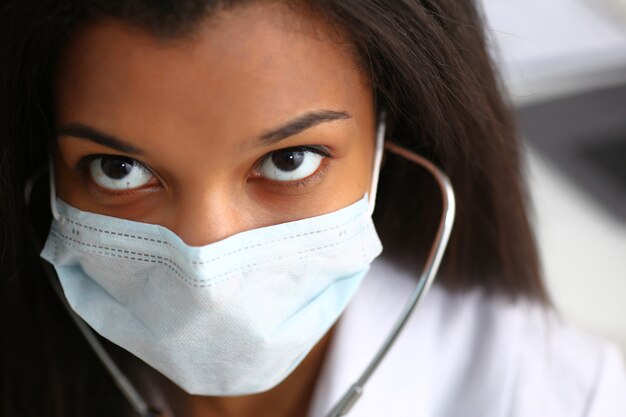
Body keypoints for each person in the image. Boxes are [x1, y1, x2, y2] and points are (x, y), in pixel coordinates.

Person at [1, 0, 625, 416]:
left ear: (388, 137)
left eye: (289, 160)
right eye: (119, 170)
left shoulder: (565, 397)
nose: (204, 259)